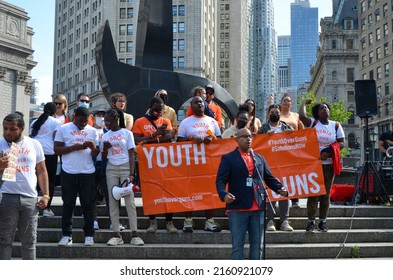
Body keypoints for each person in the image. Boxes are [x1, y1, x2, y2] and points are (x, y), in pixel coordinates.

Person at [216, 127, 288, 260]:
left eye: (249, 136)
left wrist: (280, 188)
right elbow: (220, 181)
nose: (248, 139)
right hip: (238, 208)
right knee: (238, 246)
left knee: (258, 245)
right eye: (244, 136)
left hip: (258, 208)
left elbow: (269, 178)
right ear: (237, 140)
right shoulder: (228, 158)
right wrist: (224, 194)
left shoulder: (259, 158)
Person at [0, 112, 50, 259]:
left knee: (29, 242)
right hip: (7, 197)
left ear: (21, 129)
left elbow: (41, 171)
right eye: (5, 128)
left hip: (30, 198)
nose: (8, 132)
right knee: (4, 241)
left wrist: (46, 195)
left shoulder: (34, 144)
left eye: (12, 129)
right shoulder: (0, 143)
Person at [54, 106, 99, 246]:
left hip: (88, 172)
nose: (83, 124)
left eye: (85, 121)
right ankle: (66, 234)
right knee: (68, 204)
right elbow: (57, 150)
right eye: (80, 121)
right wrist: (75, 147)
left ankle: (89, 234)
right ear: (74, 116)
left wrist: (92, 148)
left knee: (88, 204)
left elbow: (96, 154)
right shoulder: (63, 129)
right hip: (69, 172)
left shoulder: (92, 131)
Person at [299, 98, 345, 232]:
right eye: (322, 108)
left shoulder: (335, 125)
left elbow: (341, 143)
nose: (325, 109)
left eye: (326, 108)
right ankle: (311, 222)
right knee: (313, 194)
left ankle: (323, 222)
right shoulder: (314, 123)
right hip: (314, 164)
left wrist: (329, 151)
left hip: (329, 164)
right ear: (317, 113)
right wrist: (303, 104)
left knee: (325, 194)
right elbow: (302, 117)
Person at [177, 96, 222, 233]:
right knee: (189, 191)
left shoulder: (212, 121)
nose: (199, 104)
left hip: (209, 163)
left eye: (201, 102)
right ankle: (188, 221)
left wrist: (212, 139)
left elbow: (220, 141)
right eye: (196, 102)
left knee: (209, 191)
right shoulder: (185, 122)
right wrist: (191, 138)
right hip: (191, 163)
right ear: (191, 106)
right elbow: (178, 141)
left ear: (205, 105)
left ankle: (209, 221)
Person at [132, 97, 177, 233]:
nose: (158, 113)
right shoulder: (140, 121)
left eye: (161, 110)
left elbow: (169, 137)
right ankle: (153, 221)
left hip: (165, 162)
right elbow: (136, 139)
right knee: (150, 192)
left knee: (168, 191)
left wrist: (149, 140)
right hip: (147, 163)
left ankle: (169, 222)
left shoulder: (166, 121)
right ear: (150, 108)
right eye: (155, 110)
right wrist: (155, 135)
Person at [101, 109, 144, 246]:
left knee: (129, 201)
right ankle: (116, 235)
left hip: (126, 167)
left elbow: (132, 154)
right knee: (113, 201)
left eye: (108, 120)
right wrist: (106, 149)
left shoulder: (127, 133)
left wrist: (132, 174)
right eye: (105, 121)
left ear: (116, 119)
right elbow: (104, 157)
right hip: (111, 169)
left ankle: (135, 234)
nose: (106, 123)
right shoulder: (105, 136)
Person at [258, 104, 293, 232]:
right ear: (268, 114)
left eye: (276, 112)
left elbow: (296, 142)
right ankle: (270, 220)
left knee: (284, 191)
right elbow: (256, 144)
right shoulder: (263, 129)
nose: (274, 114)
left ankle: (284, 221)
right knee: (270, 193)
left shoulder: (286, 127)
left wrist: (291, 134)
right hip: (269, 166)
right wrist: (264, 137)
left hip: (285, 165)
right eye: (272, 112)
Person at [29, 102, 61, 217]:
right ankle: (47, 208)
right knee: (50, 181)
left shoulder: (34, 122)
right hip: (49, 153)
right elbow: (56, 138)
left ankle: (33, 206)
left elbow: (31, 136)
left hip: (35, 152)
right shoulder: (56, 122)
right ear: (54, 111)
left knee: (34, 179)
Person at [279, 93, 304, 208]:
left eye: (288, 101)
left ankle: (295, 201)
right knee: (281, 175)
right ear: (281, 103)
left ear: (291, 103)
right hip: (280, 149)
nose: (286, 102)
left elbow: (302, 130)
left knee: (294, 175)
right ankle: (280, 198)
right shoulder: (277, 115)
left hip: (294, 149)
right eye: (284, 100)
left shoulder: (296, 115)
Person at [91, 108, 108, 230]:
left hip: (105, 165)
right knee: (91, 194)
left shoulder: (108, 131)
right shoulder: (90, 131)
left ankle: (113, 221)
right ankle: (93, 220)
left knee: (109, 194)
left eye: (103, 115)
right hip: (91, 165)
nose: (101, 117)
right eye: (98, 115)